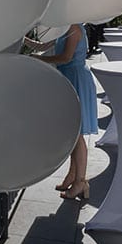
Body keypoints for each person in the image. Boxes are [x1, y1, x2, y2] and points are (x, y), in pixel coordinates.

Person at [23, 24, 98, 200]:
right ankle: (73, 176)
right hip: (69, 77)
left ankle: (81, 181)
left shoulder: (74, 28)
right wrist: (23, 39)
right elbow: (43, 46)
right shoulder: (64, 28)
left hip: (76, 78)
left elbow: (65, 57)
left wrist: (40, 60)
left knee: (77, 133)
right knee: (73, 132)